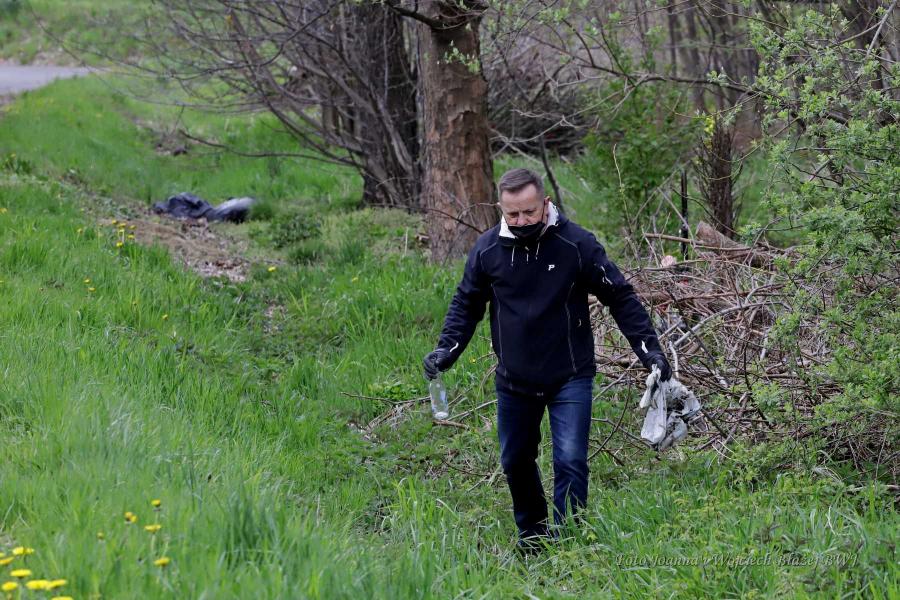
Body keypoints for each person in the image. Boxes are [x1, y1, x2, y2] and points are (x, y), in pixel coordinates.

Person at [423, 168, 671, 549]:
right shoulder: (488, 250)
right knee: (515, 460)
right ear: (501, 209)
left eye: (529, 212)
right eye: (513, 214)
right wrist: (447, 350)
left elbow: (619, 297)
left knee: (570, 459)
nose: (522, 221)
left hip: (569, 374)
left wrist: (649, 350)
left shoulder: (576, 244)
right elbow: (466, 304)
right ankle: (533, 536)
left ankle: (569, 541)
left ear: (545, 204)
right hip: (514, 379)